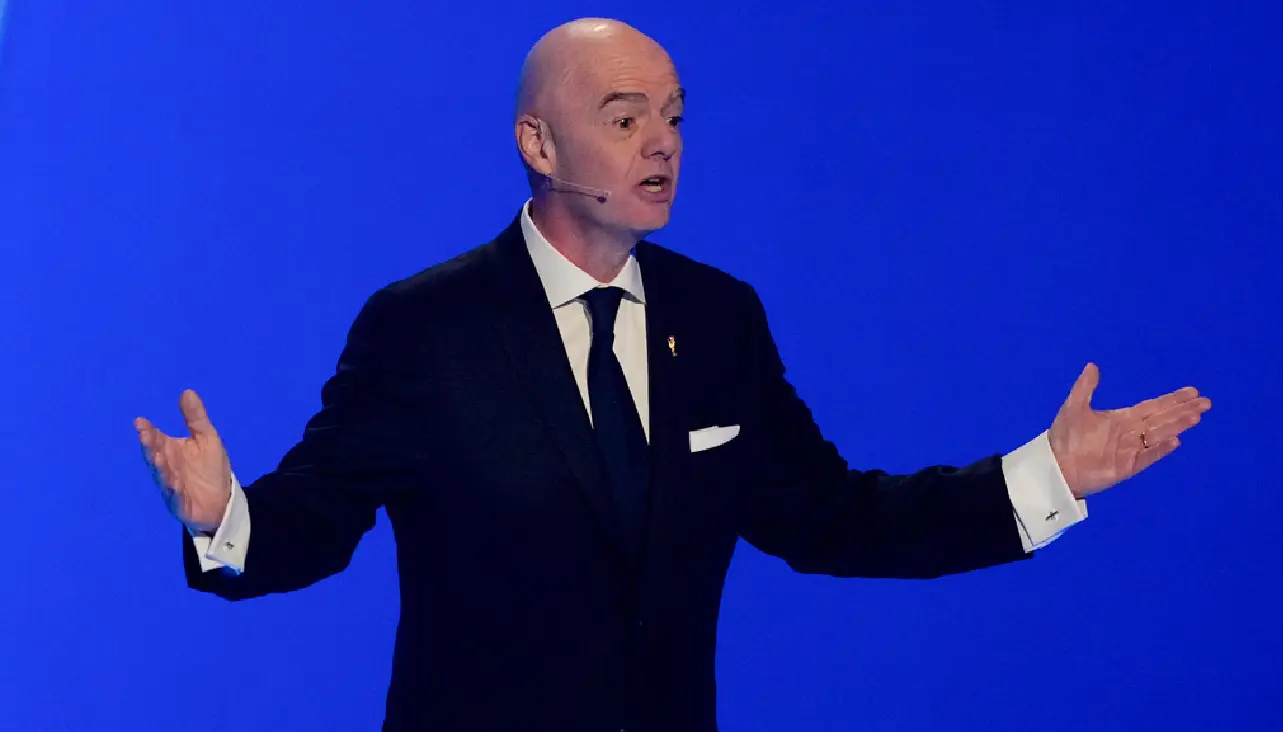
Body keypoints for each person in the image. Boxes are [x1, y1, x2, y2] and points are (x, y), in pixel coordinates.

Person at [135, 17, 1211, 732]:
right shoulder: (426, 326)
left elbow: (833, 518)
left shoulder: (718, 318)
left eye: (675, 116)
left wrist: (1045, 475)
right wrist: (226, 515)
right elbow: (317, 519)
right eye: (625, 119)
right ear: (538, 144)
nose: (663, 144)